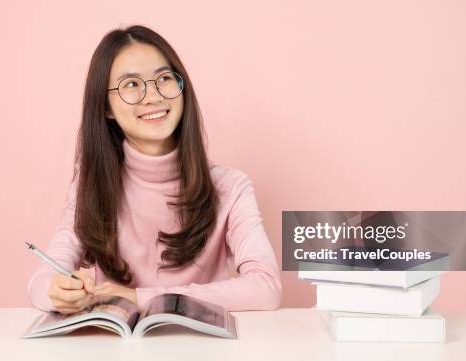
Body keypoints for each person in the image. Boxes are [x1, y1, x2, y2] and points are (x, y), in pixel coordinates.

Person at [27, 25, 281, 314]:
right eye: (132, 85)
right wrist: (57, 291)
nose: (153, 96)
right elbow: (40, 283)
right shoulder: (91, 189)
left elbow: (265, 289)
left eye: (164, 78)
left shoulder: (231, 187)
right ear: (106, 107)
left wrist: (141, 297)